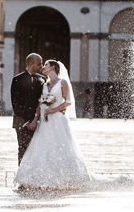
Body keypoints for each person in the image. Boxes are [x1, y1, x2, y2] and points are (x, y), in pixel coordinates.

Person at [14, 60, 91, 190]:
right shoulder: (45, 83)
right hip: (44, 121)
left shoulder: (63, 83)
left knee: (59, 146)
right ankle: (37, 178)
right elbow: (40, 104)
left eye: (46, 65)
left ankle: (65, 178)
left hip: (58, 120)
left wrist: (53, 110)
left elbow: (67, 102)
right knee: (43, 147)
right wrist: (35, 119)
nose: (43, 67)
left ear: (53, 68)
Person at [10, 53, 45, 164]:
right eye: (39, 64)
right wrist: (27, 121)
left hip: (37, 121)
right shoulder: (17, 79)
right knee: (23, 147)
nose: (42, 66)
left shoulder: (42, 79)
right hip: (21, 120)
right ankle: (22, 173)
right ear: (31, 63)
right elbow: (15, 103)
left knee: (37, 148)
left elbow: (41, 101)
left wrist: (35, 119)